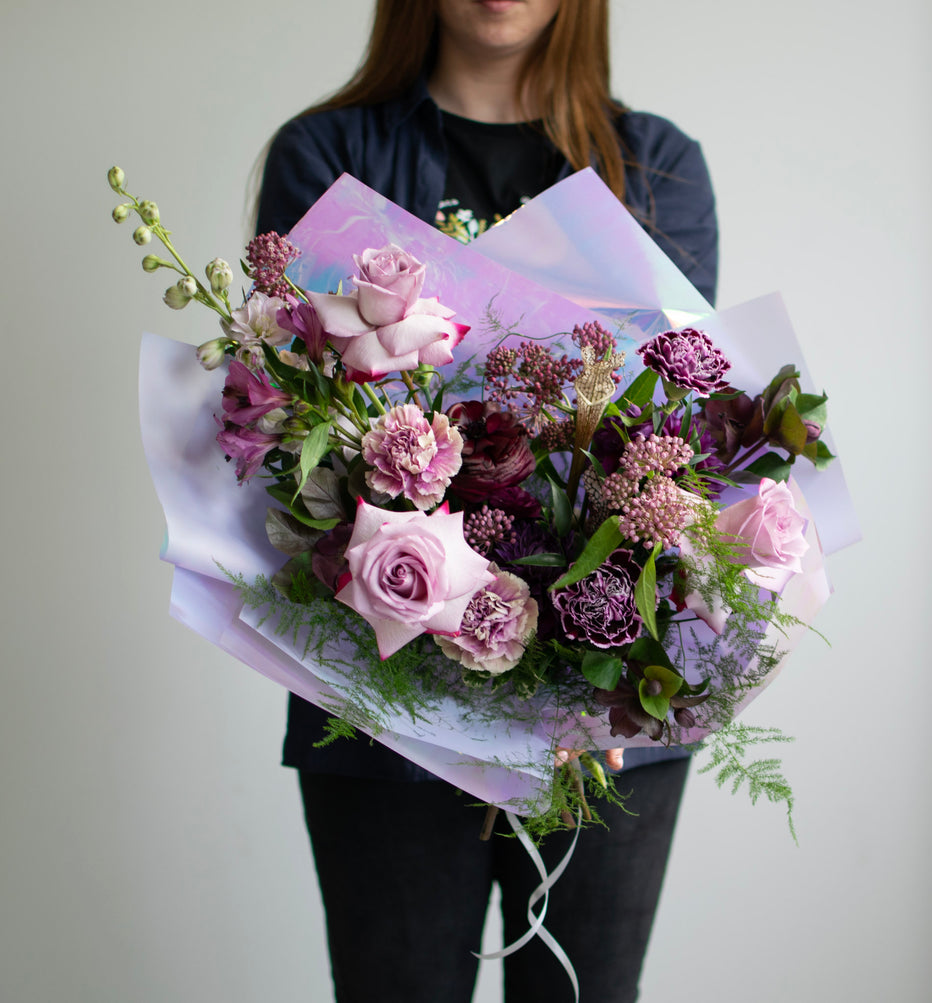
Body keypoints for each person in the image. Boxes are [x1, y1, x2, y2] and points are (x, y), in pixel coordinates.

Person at [255, 2, 718, 1001]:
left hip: (600, 706)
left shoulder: (657, 168)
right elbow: (293, 428)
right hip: (387, 700)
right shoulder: (327, 156)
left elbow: (675, 433)